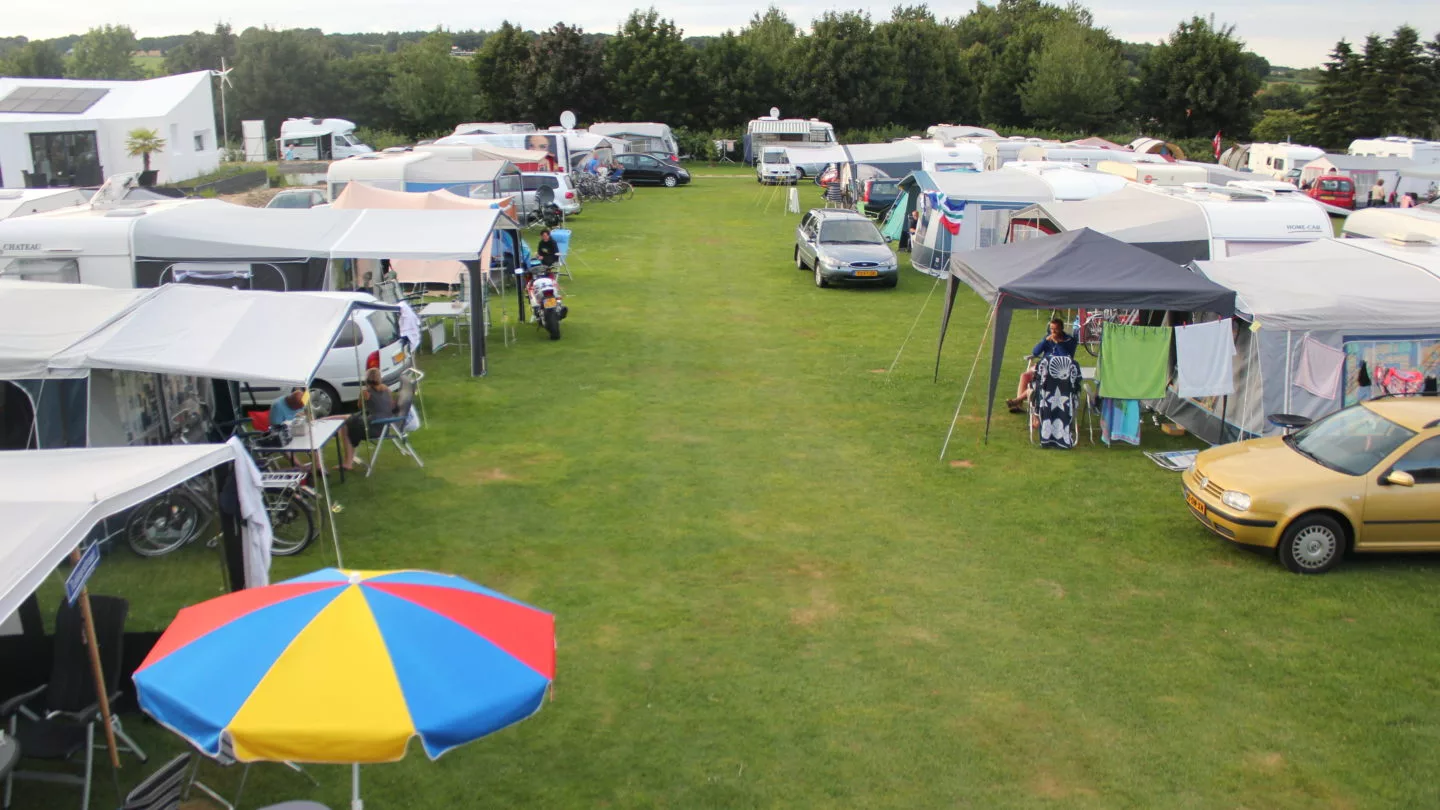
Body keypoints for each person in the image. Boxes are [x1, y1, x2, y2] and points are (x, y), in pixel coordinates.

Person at [1008, 318, 1078, 413]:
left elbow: (1067, 357)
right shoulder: (1048, 338)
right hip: (1043, 365)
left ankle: (1017, 400)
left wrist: (1058, 343)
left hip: (1059, 369)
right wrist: (1045, 341)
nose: (1053, 331)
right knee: (1024, 376)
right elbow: (1035, 352)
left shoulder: (1070, 341)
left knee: (1037, 383)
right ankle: (1018, 405)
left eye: (1055, 329)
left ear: (1061, 328)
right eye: (1051, 328)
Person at [336, 368, 396, 470]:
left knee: (346, 425)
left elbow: (360, 406)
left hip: (374, 427)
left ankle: (348, 463)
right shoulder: (386, 389)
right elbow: (391, 405)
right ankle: (349, 460)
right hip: (386, 426)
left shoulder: (366, 392)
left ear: (366, 379)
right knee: (351, 420)